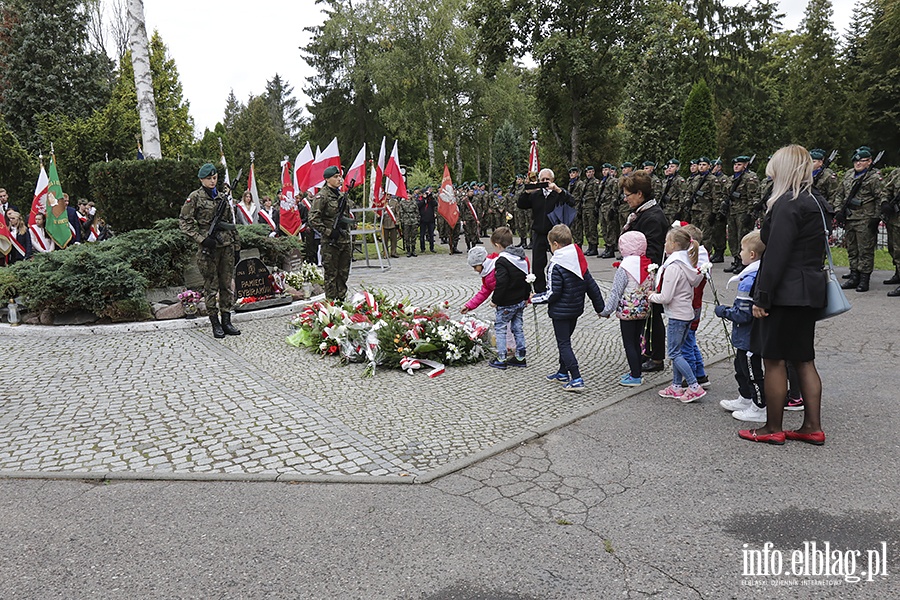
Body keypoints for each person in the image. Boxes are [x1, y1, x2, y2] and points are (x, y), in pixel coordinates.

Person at [742, 144, 829, 446]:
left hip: (785, 292)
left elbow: (776, 255)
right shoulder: (813, 201)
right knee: (804, 359)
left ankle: (772, 428)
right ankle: (812, 426)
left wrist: (761, 297)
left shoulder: (787, 204)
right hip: (808, 291)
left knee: (774, 359)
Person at [531, 224, 605, 392]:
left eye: (550, 244)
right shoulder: (578, 259)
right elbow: (591, 285)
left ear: (555, 244)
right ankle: (563, 372)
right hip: (575, 308)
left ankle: (576, 377)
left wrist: (535, 299)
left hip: (560, 311)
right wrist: (600, 308)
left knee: (563, 344)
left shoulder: (555, 265)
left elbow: (553, 293)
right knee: (565, 340)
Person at [179, 163, 241, 338]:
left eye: (214, 178)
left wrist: (236, 247)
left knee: (227, 285)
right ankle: (215, 323)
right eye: (209, 178)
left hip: (226, 247)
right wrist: (202, 239)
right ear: (201, 179)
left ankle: (227, 321)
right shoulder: (195, 198)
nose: (213, 181)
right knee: (211, 287)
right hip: (209, 249)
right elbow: (184, 222)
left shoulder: (222, 198)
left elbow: (231, 224)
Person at [648, 227, 706, 403]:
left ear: (673, 244)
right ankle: (676, 385)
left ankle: (694, 385)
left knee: (674, 354)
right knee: (678, 351)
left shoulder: (673, 267)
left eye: (666, 241)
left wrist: (651, 296)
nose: (664, 244)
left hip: (677, 315)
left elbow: (666, 296)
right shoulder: (687, 263)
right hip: (687, 313)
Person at [619, 170, 669, 374]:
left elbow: (653, 251)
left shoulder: (653, 217)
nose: (625, 198)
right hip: (639, 270)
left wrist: (640, 271)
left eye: (628, 194)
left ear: (640, 194)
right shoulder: (642, 213)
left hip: (648, 272)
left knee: (654, 315)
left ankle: (657, 357)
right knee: (646, 315)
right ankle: (647, 350)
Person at [716, 230, 766, 422]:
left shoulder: (749, 280)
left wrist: (724, 312)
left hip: (750, 337)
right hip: (744, 337)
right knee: (741, 368)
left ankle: (760, 407)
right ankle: (745, 398)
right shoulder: (751, 275)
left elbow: (743, 314)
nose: (739, 253)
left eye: (742, 250)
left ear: (752, 255)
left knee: (752, 372)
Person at [598, 231, 653, 387]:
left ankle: (635, 375)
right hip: (643, 310)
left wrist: (606, 310)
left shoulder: (625, 267)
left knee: (629, 343)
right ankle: (637, 371)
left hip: (627, 311)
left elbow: (616, 291)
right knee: (638, 341)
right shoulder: (648, 265)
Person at [517, 168, 576, 293]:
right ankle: (540, 290)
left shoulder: (557, 194)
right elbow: (521, 204)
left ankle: (564, 287)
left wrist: (557, 190)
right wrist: (527, 191)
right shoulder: (535, 194)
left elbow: (571, 201)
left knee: (561, 261)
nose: (545, 182)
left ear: (553, 180)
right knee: (538, 264)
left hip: (555, 234)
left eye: (547, 179)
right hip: (539, 232)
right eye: (542, 179)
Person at [836, 147, 883, 293]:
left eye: (861, 161)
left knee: (865, 250)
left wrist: (876, 217)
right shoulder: (849, 175)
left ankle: (864, 279)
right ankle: (854, 276)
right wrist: (838, 210)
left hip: (866, 219)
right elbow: (840, 194)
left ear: (869, 161)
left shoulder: (874, 177)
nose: (857, 163)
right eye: (855, 161)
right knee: (852, 249)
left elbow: (880, 198)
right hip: (850, 217)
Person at [309, 165, 355, 301]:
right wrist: (328, 232)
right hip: (330, 243)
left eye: (339, 176)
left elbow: (346, 215)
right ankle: (331, 304)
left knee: (343, 274)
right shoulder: (322, 196)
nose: (339, 179)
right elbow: (313, 219)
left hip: (344, 240)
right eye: (335, 177)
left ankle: (342, 301)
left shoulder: (341, 196)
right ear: (327, 179)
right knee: (331, 275)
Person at [679, 223, 710, 388]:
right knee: (690, 341)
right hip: (694, 306)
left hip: (688, 308)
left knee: (685, 344)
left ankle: (691, 378)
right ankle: (700, 374)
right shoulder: (700, 261)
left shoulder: (693, 267)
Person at [723, 156, 759, 274]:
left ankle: (744, 261)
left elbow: (752, 197)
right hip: (732, 211)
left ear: (745, 165)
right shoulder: (731, 179)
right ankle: (736, 260)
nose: (736, 167)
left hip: (743, 212)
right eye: (735, 165)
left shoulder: (750, 178)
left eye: (739, 164)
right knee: (733, 237)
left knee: (742, 237)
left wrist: (750, 213)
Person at [460, 246, 498, 315]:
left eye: (475, 267)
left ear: (482, 263)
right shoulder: (487, 274)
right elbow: (484, 292)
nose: (475, 270)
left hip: (508, 303)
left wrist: (496, 300)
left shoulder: (495, 271)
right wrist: (468, 306)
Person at [881, 167, 900, 296]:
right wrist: (885, 202)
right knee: (894, 250)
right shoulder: (896, 173)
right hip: (895, 220)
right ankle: (898, 274)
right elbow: (886, 190)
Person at [581, 166, 600, 256]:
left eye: (591, 172)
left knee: (592, 227)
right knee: (587, 227)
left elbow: (597, 195)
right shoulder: (585, 182)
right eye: (588, 172)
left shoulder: (595, 182)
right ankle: (590, 245)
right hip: (585, 207)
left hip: (591, 207)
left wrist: (596, 207)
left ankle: (594, 246)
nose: (589, 174)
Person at [398, 192, 419, 257]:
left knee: (413, 236)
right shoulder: (402, 203)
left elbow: (417, 212)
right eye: (407, 194)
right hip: (406, 220)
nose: (408, 195)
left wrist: (417, 219)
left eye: (409, 194)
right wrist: (402, 221)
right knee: (406, 236)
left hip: (413, 220)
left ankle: (413, 250)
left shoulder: (414, 202)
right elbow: (401, 212)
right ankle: (408, 251)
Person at [417, 187, 437, 253]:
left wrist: (430, 197)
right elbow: (418, 205)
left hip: (430, 219)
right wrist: (424, 199)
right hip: (423, 219)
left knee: (431, 234)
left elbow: (435, 204)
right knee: (422, 234)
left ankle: (432, 248)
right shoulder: (419, 199)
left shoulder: (430, 200)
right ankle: (422, 248)